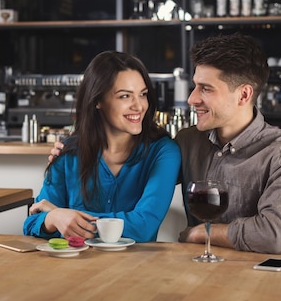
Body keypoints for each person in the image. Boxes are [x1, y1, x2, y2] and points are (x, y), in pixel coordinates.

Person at [50, 33, 281, 254]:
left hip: (261, 277)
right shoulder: (187, 142)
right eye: (195, 86)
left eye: (205, 89)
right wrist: (72, 154)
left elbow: (277, 234)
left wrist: (202, 233)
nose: (191, 98)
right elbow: (135, 172)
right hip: (194, 275)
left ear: (243, 94)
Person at [24, 51, 181, 242]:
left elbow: (143, 226)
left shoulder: (163, 152)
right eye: (125, 96)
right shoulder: (68, 151)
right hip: (73, 267)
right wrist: (54, 217)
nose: (139, 106)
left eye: (143, 94)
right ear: (98, 100)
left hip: (137, 269)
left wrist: (65, 216)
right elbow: (32, 222)